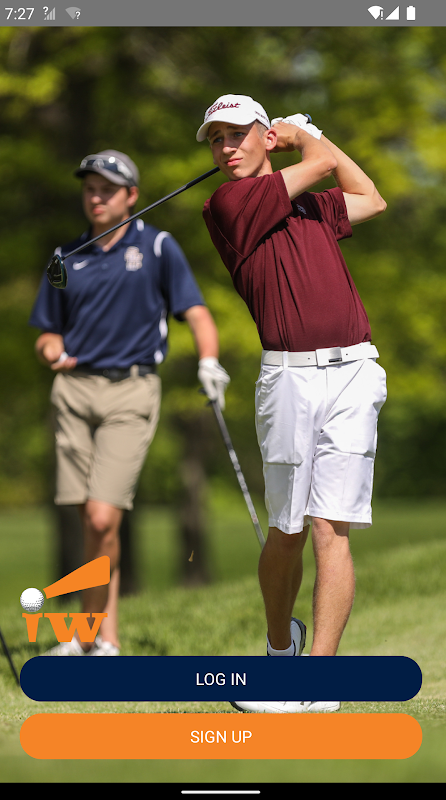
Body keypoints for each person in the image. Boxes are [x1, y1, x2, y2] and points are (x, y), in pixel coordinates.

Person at [196, 95, 387, 713]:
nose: (226, 147)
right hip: (289, 380)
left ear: (263, 135)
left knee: (333, 527)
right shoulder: (228, 203)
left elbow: (370, 198)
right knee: (288, 530)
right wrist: (304, 136)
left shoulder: (307, 205)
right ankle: (281, 653)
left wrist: (307, 137)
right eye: (216, 139)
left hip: (354, 370)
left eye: (237, 134)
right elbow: (323, 163)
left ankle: (318, 681)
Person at [29, 149, 230, 656]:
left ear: (132, 196)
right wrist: (51, 350)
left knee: (103, 518)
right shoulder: (65, 256)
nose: (96, 197)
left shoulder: (158, 246)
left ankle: (91, 638)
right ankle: (102, 639)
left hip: (131, 390)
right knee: (90, 522)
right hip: (74, 391)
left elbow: (196, 312)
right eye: (89, 189)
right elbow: (47, 330)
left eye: (107, 189)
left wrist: (209, 361)